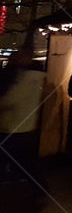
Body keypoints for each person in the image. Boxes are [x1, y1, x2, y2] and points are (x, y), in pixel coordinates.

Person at [0, 41, 47, 194]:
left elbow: (11, 100)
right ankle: (40, 187)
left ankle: (39, 187)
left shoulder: (20, 77)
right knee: (26, 162)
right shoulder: (39, 77)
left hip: (11, 125)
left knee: (20, 160)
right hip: (25, 125)